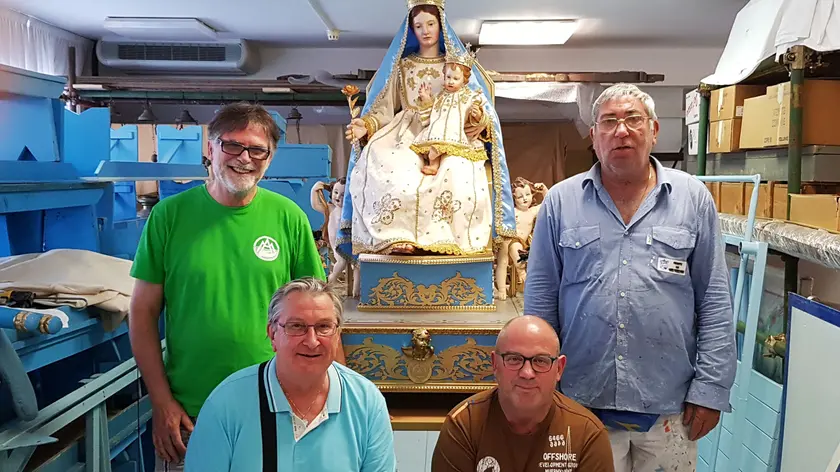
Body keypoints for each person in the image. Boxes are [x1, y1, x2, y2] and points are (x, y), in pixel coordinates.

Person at [524, 83, 736, 472]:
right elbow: (540, 302)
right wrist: (540, 385)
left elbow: (715, 301)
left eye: (633, 119)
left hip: (671, 409)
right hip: (579, 402)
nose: (621, 130)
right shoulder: (560, 202)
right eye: (609, 122)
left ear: (654, 130)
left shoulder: (692, 199)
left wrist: (711, 390)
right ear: (594, 136)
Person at [129, 102, 327, 471]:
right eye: (232, 145)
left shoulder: (289, 218)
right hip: (191, 414)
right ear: (210, 147)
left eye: (257, 149)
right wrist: (161, 401)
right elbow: (142, 314)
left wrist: (328, 402)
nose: (244, 158)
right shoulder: (169, 217)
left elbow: (319, 318)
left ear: (271, 156)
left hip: (276, 407)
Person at [337, 0, 517, 257]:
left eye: (430, 23)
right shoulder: (403, 67)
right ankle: (396, 237)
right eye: (418, 25)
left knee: (457, 169)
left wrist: (477, 121)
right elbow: (385, 110)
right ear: (411, 29)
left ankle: (447, 240)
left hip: (448, 129)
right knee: (389, 164)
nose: (425, 30)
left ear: (440, 25)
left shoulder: (457, 68)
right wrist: (366, 125)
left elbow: (473, 106)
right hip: (406, 131)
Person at [183, 278, 396, 471]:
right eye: (296, 326)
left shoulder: (367, 402)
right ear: (272, 334)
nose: (312, 341)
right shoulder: (225, 404)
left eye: (324, 327)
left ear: (338, 335)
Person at [431, 315, 614, 471]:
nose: (527, 373)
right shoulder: (463, 426)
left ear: (559, 368)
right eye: (514, 359)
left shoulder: (587, 435)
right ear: (495, 364)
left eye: (540, 361)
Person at [410, 47, 487, 175]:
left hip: (455, 131)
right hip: (436, 130)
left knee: (442, 156)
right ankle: (433, 165)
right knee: (432, 148)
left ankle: (436, 156)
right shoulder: (440, 95)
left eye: (456, 78)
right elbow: (429, 117)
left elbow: (475, 118)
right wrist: (426, 99)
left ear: (464, 80)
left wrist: (477, 114)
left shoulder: (469, 96)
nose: (451, 81)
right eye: (448, 77)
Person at [494, 177, 548, 300]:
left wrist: (543, 190)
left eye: (527, 194)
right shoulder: (512, 211)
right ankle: (502, 289)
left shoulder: (532, 211)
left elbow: (548, 201)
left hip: (523, 243)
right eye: (519, 197)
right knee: (504, 261)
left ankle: (527, 282)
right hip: (510, 240)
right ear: (513, 199)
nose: (524, 198)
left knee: (528, 259)